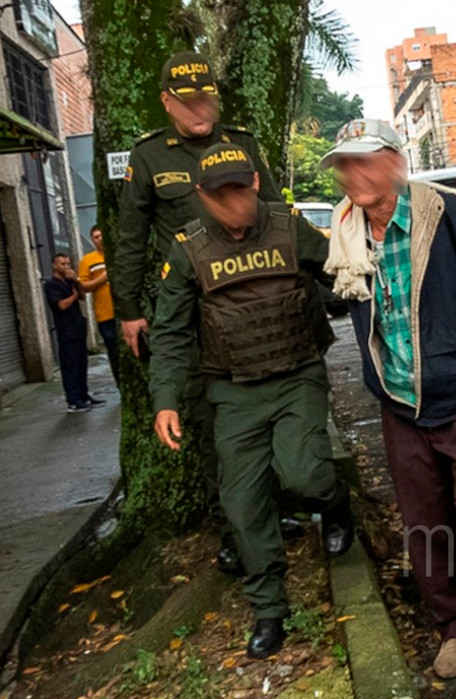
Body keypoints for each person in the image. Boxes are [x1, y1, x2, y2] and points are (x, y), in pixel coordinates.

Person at [322, 119, 456, 699]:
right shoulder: (344, 231)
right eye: (343, 164)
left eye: (363, 161)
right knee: (425, 527)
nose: (351, 175)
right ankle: (455, 628)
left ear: (393, 161)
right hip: (399, 404)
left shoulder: (446, 215)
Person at [149, 143, 353, 659]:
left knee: (303, 475)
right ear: (201, 196)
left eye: (241, 188)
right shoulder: (188, 249)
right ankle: (269, 608)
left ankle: (334, 505)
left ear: (256, 184)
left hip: (297, 374)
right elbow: (171, 333)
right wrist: (165, 400)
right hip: (233, 389)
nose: (234, 201)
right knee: (242, 506)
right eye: (221, 194)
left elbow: (342, 274)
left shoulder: (289, 228)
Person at [113, 50, 283, 575]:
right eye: (187, 102)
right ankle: (233, 526)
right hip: (194, 312)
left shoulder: (244, 146)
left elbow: (277, 214)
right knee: (213, 423)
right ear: (167, 102)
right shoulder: (148, 158)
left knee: (274, 407)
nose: (199, 110)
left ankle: (275, 512)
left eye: (207, 97)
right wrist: (130, 311)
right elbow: (131, 240)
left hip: (253, 300)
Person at [45, 254, 105, 413]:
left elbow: (83, 297)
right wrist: (74, 295)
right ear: (54, 266)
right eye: (62, 264)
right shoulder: (51, 285)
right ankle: (73, 401)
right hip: (66, 331)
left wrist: (77, 282)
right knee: (70, 364)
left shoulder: (70, 282)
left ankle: (84, 396)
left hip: (78, 327)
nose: (66, 267)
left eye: (68, 263)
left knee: (81, 363)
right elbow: (62, 305)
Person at [78, 226, 119, 386]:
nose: (99, 239)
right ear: (92, 240)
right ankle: (120, 385)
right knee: (114, 353)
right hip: (105, 315)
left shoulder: (116, 254)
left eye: (102, 235)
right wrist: (102, 279)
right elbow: (83, 286)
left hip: (125, 312)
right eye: (95, 237)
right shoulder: (87, 260)